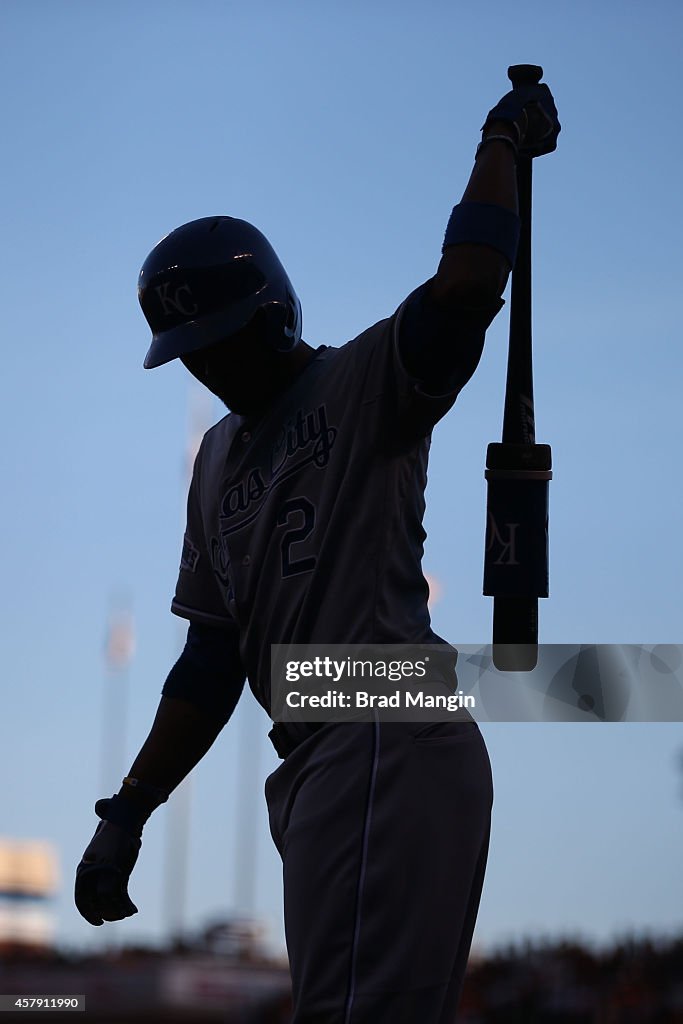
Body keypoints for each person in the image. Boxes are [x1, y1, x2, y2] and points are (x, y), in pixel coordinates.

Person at [76, 76, 559, 1022]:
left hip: (382, 711)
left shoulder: (363, 377)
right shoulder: (214, 459)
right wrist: (131, 807)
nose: (208, 365)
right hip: (315, 751)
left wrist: (498, 139)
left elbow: (465, 286)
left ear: (272, 313)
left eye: (219, 339)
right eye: (191, 352)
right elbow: (210, 658)